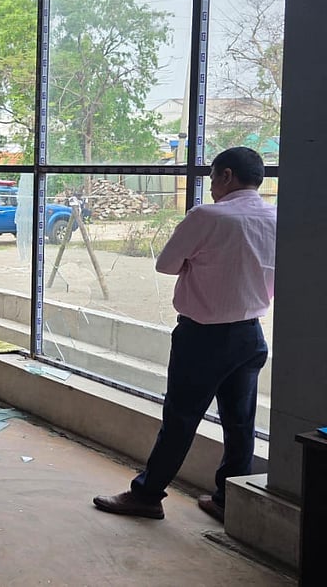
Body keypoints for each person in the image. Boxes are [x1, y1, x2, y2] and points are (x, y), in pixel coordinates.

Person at [94, 147, 275, 523]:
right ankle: (228, 500)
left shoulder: (208, 216)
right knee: (240, 424)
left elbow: (166, 264)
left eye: (212, 178)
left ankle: (147, 496)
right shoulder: (276, 217)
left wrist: (199, 264)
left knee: (180, 418)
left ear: (226, 175)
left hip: (204, 338)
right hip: (250, 336)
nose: (211, 187)